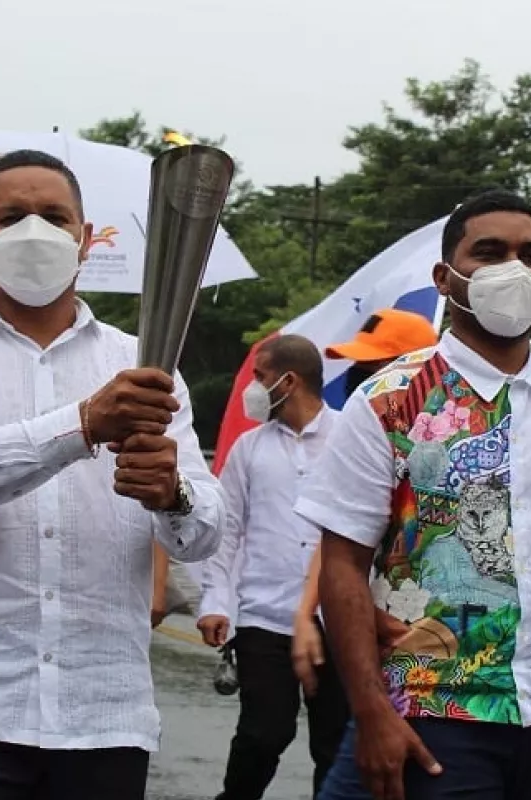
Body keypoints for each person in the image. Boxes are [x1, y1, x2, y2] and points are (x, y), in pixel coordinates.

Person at [296, 190, 531, 800]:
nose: (513, 270)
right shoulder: (391, 400)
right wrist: (369, 712)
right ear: (445, 278)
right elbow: (342, 564)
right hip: (433, 706)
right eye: (489, 253)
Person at [0, 149, 227, 800]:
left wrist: (172, 493)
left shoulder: (144, 365)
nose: (33, 231)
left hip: (102, 712)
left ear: (87, 238)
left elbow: (202, 535)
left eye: (54, 216)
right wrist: (85, 424)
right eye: (11, 217)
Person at [195, 334, 349, 800]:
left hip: (338, 618)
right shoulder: (249, 449)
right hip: (264, 616)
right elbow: (227, 529)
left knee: (335, 745)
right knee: (264, 734)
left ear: (289, 380)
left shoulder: (349, 440)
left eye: (260, 377)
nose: (253, 388)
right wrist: (215, 601)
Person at [290, 309, 439, 694]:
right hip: (363, 630)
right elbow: (340, 536)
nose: (362, 380)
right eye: (359, 368)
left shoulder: (451, 447)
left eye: (372, 367)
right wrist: (307, 615)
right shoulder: (366, 437)